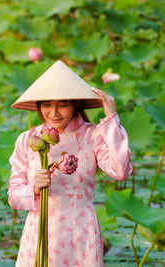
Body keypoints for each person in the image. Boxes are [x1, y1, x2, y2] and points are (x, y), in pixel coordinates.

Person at [8, 60, 132, 267]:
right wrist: (35, 187)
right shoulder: (28, 139)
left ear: (75, 104)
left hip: (79, 235)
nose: (54, 112)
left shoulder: (92, 136)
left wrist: (111, 118)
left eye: (62, 104)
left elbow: (120, 171)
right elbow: (13, 197)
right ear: (39, 106)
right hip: (38, 235)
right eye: (47, 104)